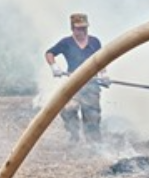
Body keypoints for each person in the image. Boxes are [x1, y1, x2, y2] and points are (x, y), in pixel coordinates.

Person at [45, 12, 109, 143]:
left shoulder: (94, 42)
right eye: (79, 28)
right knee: (67, 110)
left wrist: (103, 74)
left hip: (92, 84)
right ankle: (74, 134)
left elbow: (101, 60)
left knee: (92, 115)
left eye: (84, 28)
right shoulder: (66, 43)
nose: (82, 31)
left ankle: (94, 145)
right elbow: (49, 53)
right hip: (73, 83)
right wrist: (54, 67)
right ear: (72, 28)